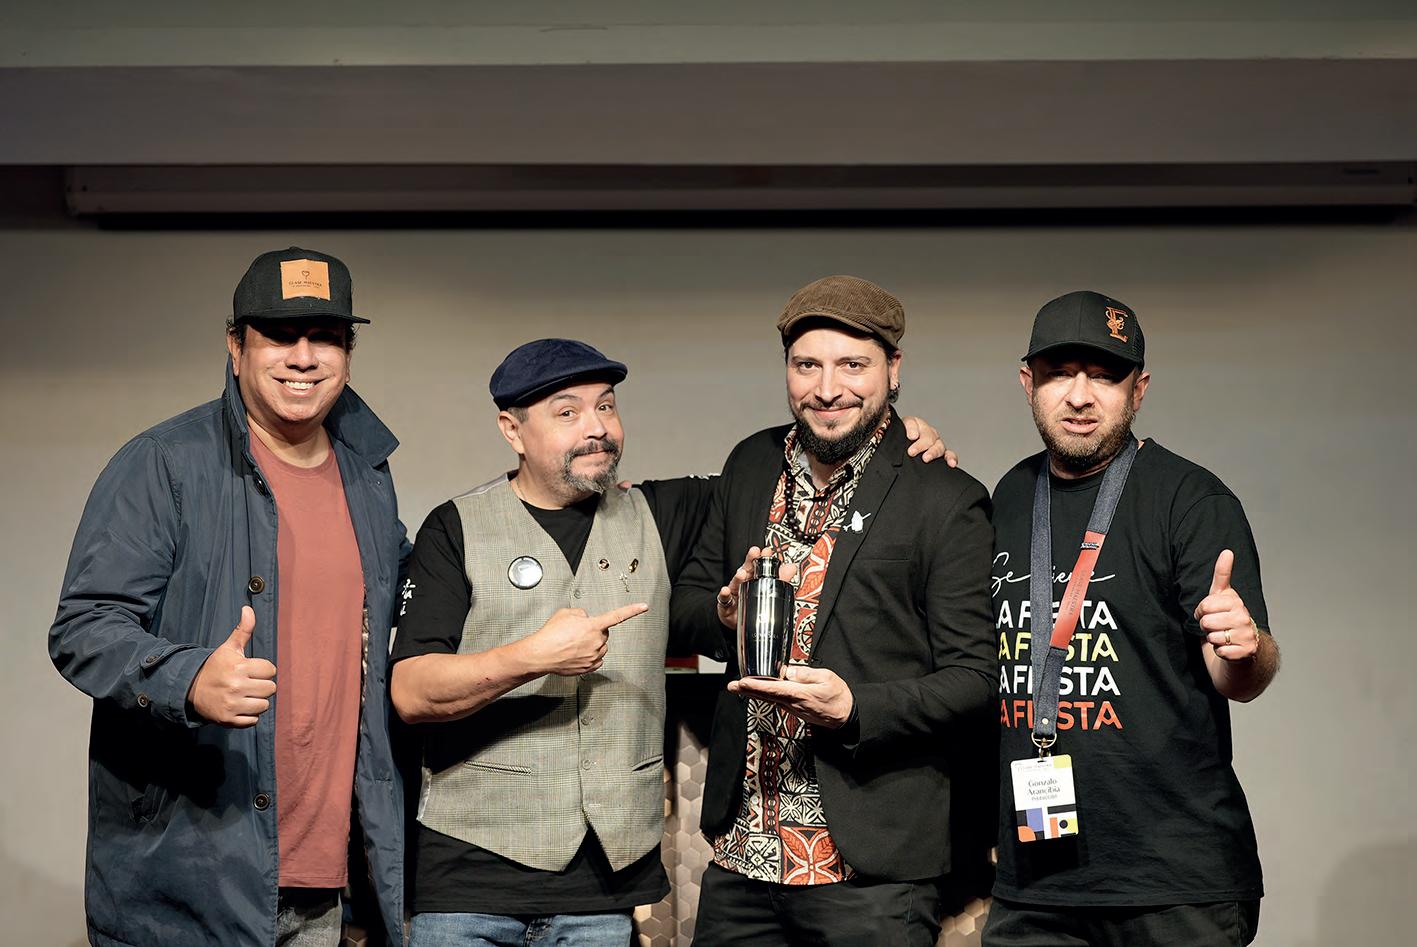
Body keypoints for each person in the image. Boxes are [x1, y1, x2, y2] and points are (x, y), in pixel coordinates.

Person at [389, 337, 949, 946]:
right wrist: (531, 658)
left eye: (606, 406)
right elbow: (412, 693)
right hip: (467, 882)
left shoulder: (662, 512)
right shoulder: (456, 526)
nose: (597, 428)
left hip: (602, 893)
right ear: (512, 430)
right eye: (567, 412)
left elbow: (796, 469)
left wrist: (895, 435)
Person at [49, 247, 410, 947]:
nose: (303, 356)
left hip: (324, 882)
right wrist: (187, 679)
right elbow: (83, 626)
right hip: (190, 880)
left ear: (348, 352)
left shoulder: (367, 476)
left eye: (326, 336)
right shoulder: (164, 463)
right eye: (279, 334)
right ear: (236, 345)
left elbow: (406, 594)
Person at [670, 276, 997, 946]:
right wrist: (724, 615)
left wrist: (855, 709)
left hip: (869, 871)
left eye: (852, 365)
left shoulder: (944, 496)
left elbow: (975, 678)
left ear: (893, 369)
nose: (826, 389)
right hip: (743, 854)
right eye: (806, 365)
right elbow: (686, 606)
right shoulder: (750, 463)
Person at [983, 291, 1281, 947]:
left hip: (1174, 885)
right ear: (1028, 382)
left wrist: (1243, 646)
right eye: (1059, 373)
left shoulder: (1190, 499)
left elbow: (1241, 677)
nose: (1079, 396)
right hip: (1037, 883)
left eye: (1104, 376)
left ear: (1137, 389)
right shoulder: (1007, 496)